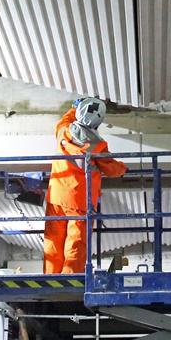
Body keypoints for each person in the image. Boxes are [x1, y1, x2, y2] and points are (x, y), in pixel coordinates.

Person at [44, 96, 126, 274]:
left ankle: (50, 277)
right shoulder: (97, 146)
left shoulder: (63, 131)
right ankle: (69, 278)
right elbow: (112, 169)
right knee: (75, 242)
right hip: (79, 200)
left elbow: (64, 121)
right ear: (99, 122)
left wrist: (73, 108)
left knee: (53, 240)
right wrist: (124, 168)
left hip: (56, 196)